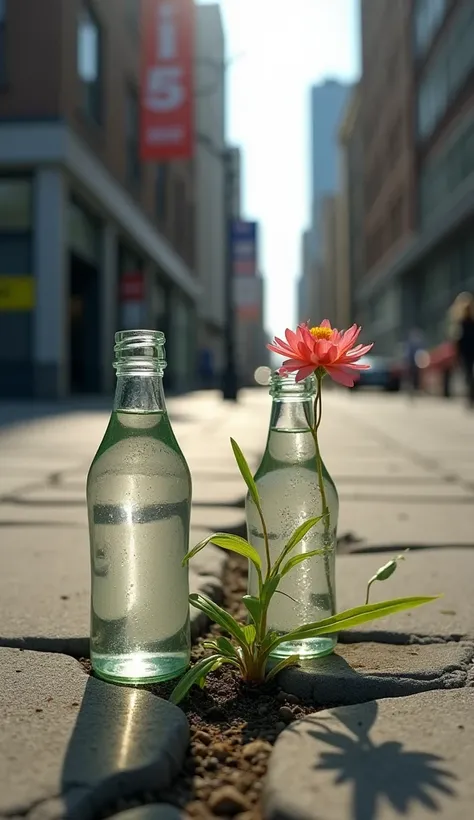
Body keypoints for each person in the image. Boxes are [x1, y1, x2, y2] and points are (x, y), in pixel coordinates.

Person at [456, 295, 474, 408]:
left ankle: (470, 396)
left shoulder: (466, 323)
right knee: (468, 375)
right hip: (467, 353)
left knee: (469, 375)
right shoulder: (462, 323)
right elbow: (459, 341)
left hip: (469, 353)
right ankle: (470, 397)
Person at [405, 328, 424, 396]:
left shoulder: (414, 343)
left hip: (414, 363)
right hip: (413, 363)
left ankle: (413, 389)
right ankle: (412, 390)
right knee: (412, 378)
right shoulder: (416, 343)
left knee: (414, 378)